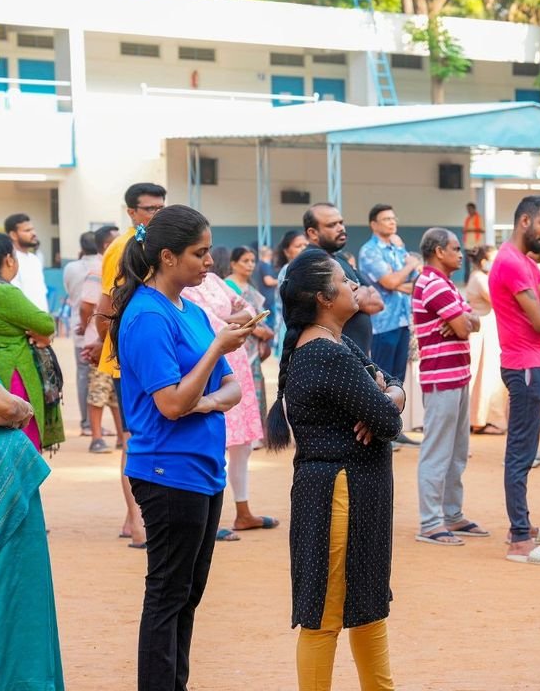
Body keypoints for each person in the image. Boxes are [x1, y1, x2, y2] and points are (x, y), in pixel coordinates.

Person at [110, 205, 250, 690]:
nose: (209, 262)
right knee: (168, 594)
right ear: (167, 257)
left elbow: (230, 388)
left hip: (203, 468)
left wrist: (205, 398)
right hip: (168, 470)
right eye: (200, 252)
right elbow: (171, 404)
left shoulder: (190, 310)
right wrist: (215, 353)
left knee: (187, 594)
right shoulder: (147, 316)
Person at [265, 248, 405, 691]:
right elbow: (388, 420)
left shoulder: (336, 344)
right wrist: (387, 401)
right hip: (338, 497)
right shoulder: (327, 353)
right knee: (326, 615)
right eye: (346, 282)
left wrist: (389, 395)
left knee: (368, 607)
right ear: (325, 297)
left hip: (352, 493)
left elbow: (391, 393)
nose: (354, 286)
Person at [86, 182, 165, 549]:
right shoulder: (122, 248)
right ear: (131, 212)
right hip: (127, 364)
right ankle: (137, 523)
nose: (156, 213)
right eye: (149, 208)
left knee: (151, 437)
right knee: (136, 441)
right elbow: (106, 308)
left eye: (161, 207)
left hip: (152, 356)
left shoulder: (162, 242)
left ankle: (134, 516)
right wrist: (115, 346)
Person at [488, 196, 540, 564]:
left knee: (526, 451)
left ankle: (521, 526)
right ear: (524, 221)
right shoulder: (511, 263)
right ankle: (520, 539)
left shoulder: (527, 263)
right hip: (525, 366)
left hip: (532, 364)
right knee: (520, 453)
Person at [0, 330, 64, 690]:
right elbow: (4, 407)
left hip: (8, 492)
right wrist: (23, 408)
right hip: (1, 501)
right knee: (8, 599)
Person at [180, 270, 275, 541]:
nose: (206, 261)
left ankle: (243, 510)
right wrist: (235, 322)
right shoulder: (182, 285)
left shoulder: (213, 280)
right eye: (200, 253)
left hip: (236, 361)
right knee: (215, 439)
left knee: (242, 444)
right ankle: (212, 519)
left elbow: (247, 308)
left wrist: (229, 322)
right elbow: (209, 325)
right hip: (208, 363)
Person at [412, 228, 489, 546]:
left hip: (455, 376)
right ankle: (431, 522)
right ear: (439, 251)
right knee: (438, 451)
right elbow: (462, 326)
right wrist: (463, 320)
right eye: (456, 249)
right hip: (442, 377)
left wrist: (464, 320)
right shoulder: (432, 284)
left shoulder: (443, 284)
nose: (461, 254)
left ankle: (451, 514)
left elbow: (475, 322)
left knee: (456, 452)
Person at [0, 233, 61, 452]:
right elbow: (45, 323)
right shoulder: (5, 291)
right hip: (14, 372)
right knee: (21, 441)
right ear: (10, 259)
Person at [302, 202, 384, 357]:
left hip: (358, 356)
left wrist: (350, 297)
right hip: (334, 357)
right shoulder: (312, 262)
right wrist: (363, 293)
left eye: (341, 222)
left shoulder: (340, 259)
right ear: (313, 233)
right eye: (332, 225)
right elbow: (334, 304)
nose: (341, 228)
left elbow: (378, 302)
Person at [358, 203, 421, 386]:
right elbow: (391, 282)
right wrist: (410, 265)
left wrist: (396, 282)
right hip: (382, 324)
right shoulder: (369, 251)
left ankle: (395, 415)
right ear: (374, 224)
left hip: (403, 322)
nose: (392, 222)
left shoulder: (397, 249)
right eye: (386, 219)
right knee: (381, 380)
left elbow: (417, 283)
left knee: (398, 381)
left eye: (393, 218)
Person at [79, 226, 124, 454]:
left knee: (116, 393)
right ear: (107, 246)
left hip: (113, 339)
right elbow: (88, 305)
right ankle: (96, 437)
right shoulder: (99, 269)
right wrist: (86, 329)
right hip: (99, 339)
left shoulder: (117, 265)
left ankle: (121, 436)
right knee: (98, 389)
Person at [225, 246, 275, 422]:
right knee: (239, 388)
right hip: (237, 347)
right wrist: (256, 330)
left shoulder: (251, 287)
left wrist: (265, 331)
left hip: (255, 348)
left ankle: (257, 434)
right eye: (245, 261)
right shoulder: (227, 286)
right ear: (233, 264)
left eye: (253, 261)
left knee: (256, 386)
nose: (250, 265)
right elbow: (225, 317)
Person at [465, 246, 507, 435]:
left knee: (490, 378)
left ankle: (485, 419)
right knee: (481, 376)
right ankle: (477, 420)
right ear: (483, 262)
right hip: (481, 332)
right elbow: (497, 298)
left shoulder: (482, 277)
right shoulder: (480, 278)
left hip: (488, 330)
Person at [64, 231, 101, 435]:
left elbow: (69, 291)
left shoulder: (71, 267)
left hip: (80, 327)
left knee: (83, 375)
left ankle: (87, 424)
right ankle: (97, 426)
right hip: (95, 329)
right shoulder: (103, 265)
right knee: (103, 380)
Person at [273, 230, 309, 358]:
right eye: (298, 246)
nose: (304, 249)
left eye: (306, 245)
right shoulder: (288, 270)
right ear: (287, 251)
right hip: (292, 329)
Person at [4, 214, 48, 313]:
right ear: (13, 235)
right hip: (25, 324)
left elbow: (41, 294)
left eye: (33, 229)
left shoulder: (35, 259)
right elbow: (14, 299)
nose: (34, 233)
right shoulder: (9, 261)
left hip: (42, 321)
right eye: (27, 231)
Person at [256, 245, 279, 329]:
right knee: (270, 323)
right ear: (269, 254)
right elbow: (268, 282)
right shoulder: (265, 265)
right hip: (268, 298)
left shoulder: (259, 265)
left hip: (264, 297)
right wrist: (280, 280)